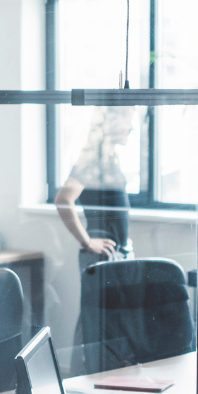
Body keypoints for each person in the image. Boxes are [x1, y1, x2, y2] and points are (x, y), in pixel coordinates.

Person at [55, 109, 134, 368]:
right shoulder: (92, 161)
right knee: (93, 321)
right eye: (127, 118)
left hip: (116, 253)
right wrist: (87, 241)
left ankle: (96, 376)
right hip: (100, 254)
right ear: (111, 122)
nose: (131, 127)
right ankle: (80, 376)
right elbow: (63, 200)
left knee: (105, 321)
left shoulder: (111, 159)